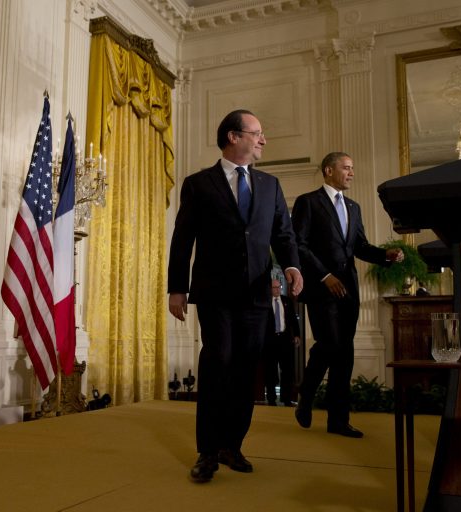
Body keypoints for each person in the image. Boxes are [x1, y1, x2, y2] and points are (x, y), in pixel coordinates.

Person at [167, 109, 303, 483]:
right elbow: (183, 239)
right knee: (218, 361)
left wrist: (292, 267)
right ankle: (207, 451)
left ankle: (232, 445)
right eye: (256, 133)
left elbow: (284, 235)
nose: (263, 139)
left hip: (258, 294)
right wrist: (177, 288)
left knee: (246, 370)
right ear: (233, 137)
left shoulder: (271, 185)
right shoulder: (198, 184)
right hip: (214, 293)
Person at [291, 152, 403, 439]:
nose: (352, 173)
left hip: (349, 289)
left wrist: (385, 256)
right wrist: (324, 276)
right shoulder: (308, 202)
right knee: (329, 343)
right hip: (321, 287)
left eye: (353, 168)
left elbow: (360, 247)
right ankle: (306, 392)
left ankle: (338, 421)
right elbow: (300, 245)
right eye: (347, 167)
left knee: (344, 353)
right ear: (329, 170)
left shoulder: (354, 207)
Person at [262, 275, 301, 407]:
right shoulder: (265, 302)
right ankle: (272, 399)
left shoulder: (287, 301)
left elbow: (293, 320)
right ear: (269, 289)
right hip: (270, 341)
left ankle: (287, 399)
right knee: (270, 371)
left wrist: (297, 335)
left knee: (288, 371)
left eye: (279, 287)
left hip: (285, 340)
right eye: (275, 287)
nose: (278, 290)